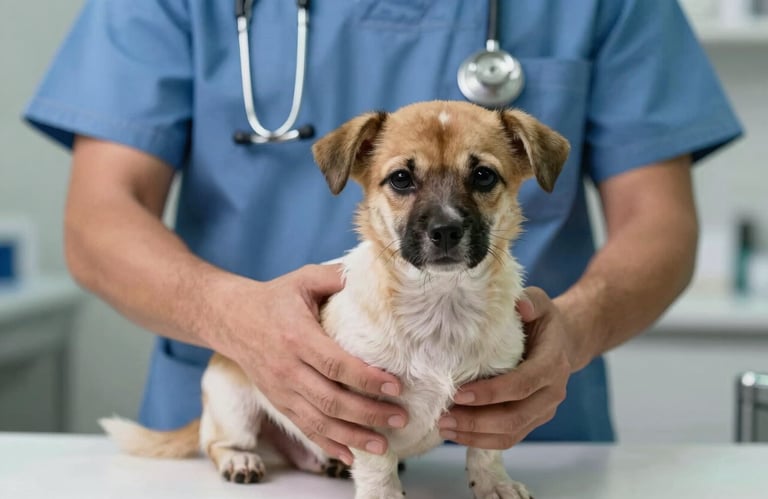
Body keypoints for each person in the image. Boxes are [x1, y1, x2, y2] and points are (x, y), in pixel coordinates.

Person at [25, 0, 741, 467]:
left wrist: (575, 330)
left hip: (522, 435)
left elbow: (661, 222)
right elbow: (97, 219)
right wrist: (232, 319)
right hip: (262, 446)